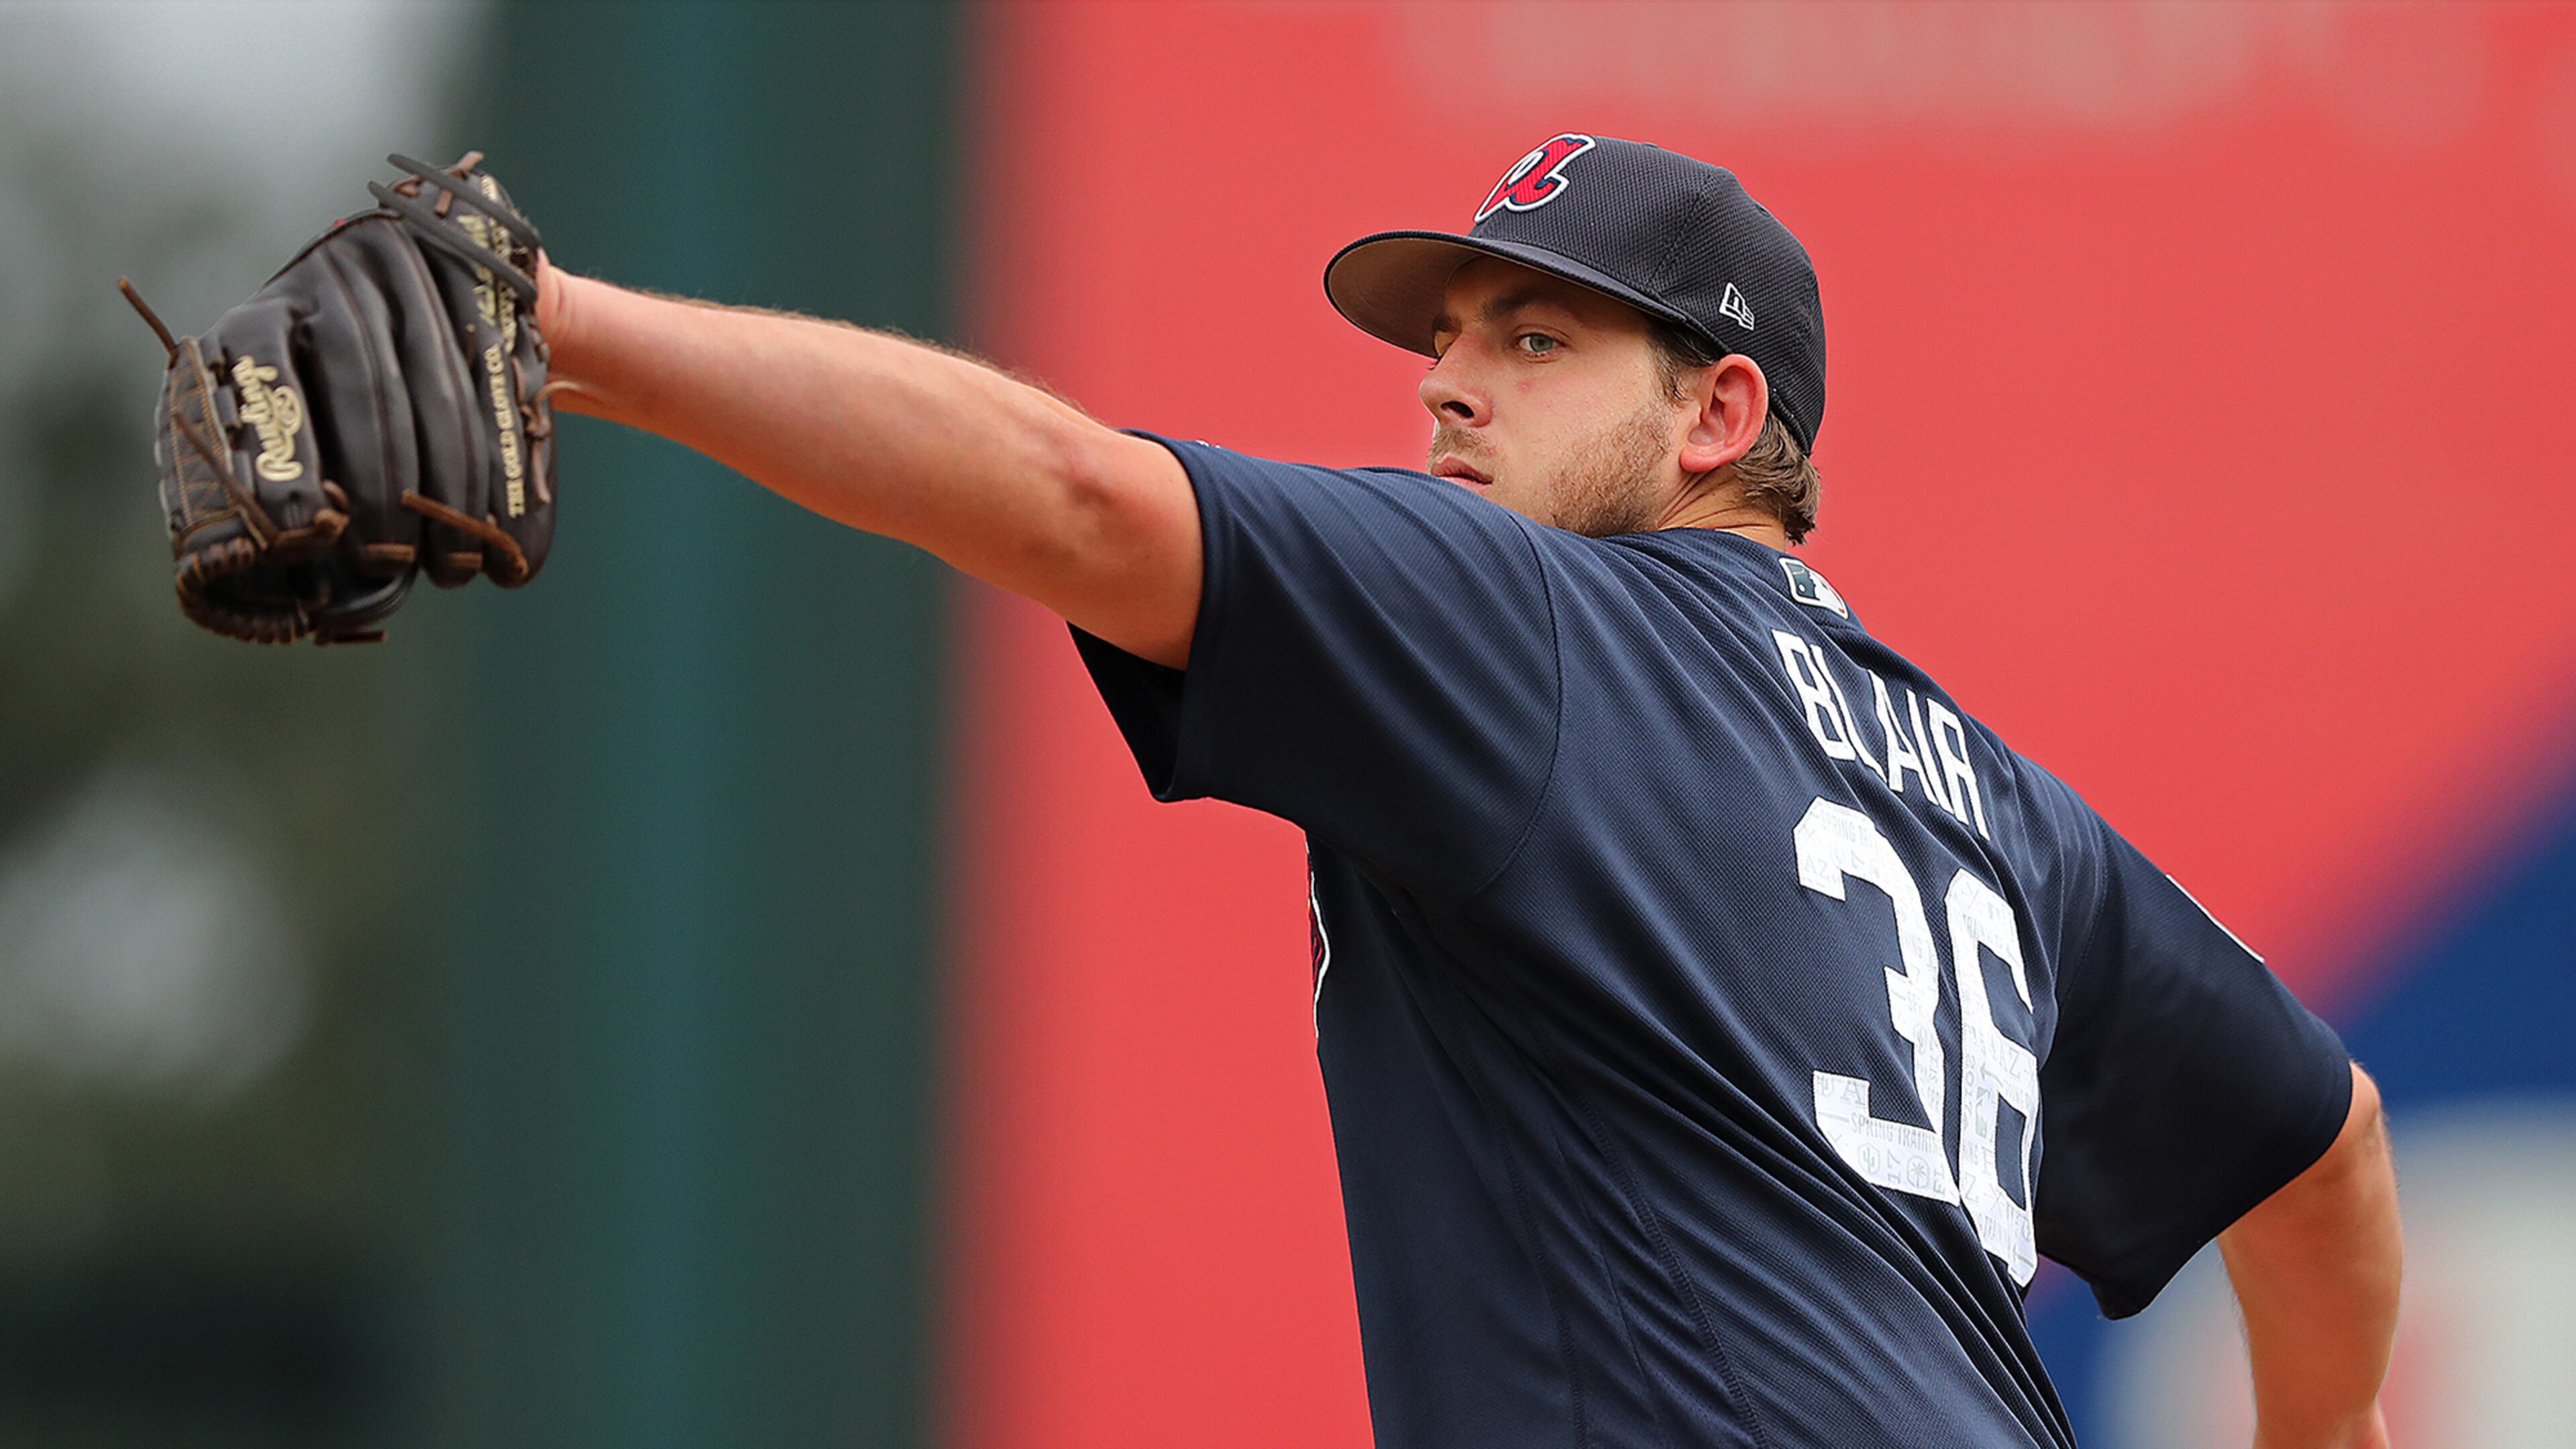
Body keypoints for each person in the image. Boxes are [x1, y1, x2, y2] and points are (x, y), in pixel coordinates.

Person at [530, 134, 2401, 1448]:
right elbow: (2325, 1146)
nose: (1444, 390)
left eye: (1531, 340)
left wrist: (564, 332)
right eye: (1443, 340)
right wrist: (2328, 1432)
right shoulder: (2006, 815)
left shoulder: (1539, 620)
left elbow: (1080, 499)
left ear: (1718, 417)